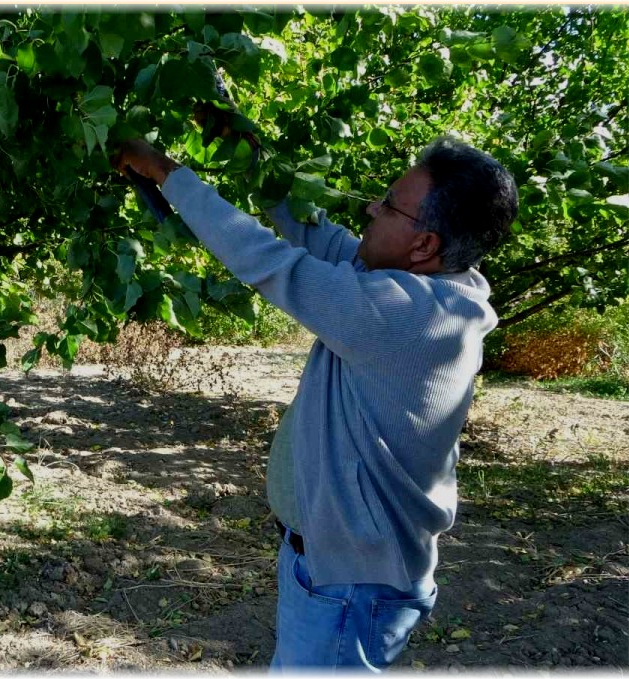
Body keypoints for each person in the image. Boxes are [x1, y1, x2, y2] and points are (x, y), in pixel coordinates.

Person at [115, 136, 518, 672]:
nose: (372, 209)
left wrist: (167, 172)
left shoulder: (405, 316)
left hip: (351, 585)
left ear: (423, 245)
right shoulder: (413, 285)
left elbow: (271, 260)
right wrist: (225, 121)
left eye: (389, 204)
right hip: (336, 570)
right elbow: (309, 229)